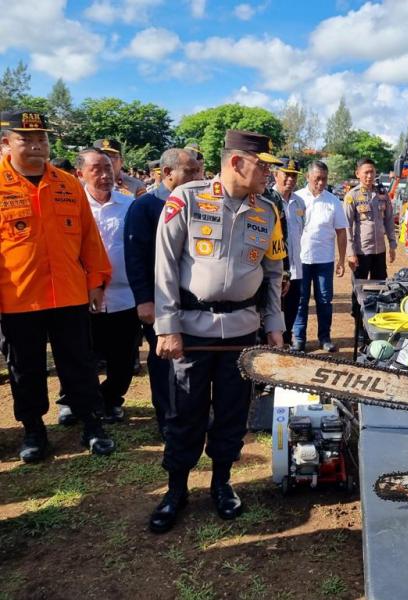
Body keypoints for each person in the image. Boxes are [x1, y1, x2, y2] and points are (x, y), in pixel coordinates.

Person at [150, 130, 284, 533]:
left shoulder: (269, 212)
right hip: (191, 331)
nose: (269, 175)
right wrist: (167, 327)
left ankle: (221, 484)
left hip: (242, 334)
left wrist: (274, 325)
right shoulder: (186, 199)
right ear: (237, 162)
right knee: (184, 413)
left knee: (231, 413)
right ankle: (176, 489)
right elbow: (165, 266)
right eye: (264, 167)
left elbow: (274, 274)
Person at [0, 109, 116, 461]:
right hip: (17, 298)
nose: (37, 145)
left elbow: (89, 240)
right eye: (26, 138)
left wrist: (97, 282)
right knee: (25, 367)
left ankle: (92, 425)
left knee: (79, 363)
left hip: (69, 294)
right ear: (6, 143)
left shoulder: (68, 184)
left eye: (42, 138)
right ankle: (34, 430)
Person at [124, 148, 201, 432]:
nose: (197, 177)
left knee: (189, 361)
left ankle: (192, 416)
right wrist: (144, 300)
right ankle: (168, 420)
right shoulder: (144, 207)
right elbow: (135, 257)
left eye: (198, 171)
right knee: (164, 363)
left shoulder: (198, 204)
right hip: (157, 301)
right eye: (190, 172)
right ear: (167, 173)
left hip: (191, 302)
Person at [76, 148, 140, 423]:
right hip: (83, 295)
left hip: (125, 295)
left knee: (123, 359)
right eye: (96, 170)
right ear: (80, 174)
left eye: (108, 169)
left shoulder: (129, 205)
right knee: (81, 356)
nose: (105, 176)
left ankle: (112, 399)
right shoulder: (73, 205)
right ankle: (80, 402)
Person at [293, 160, 348, 352]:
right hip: (300, 259)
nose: (321, 183)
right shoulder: (296, 198)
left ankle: (325, 337)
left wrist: (341, 259)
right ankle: (299, 338)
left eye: (324, 179)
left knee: (324, 300)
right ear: (307, 177)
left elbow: (341, 231)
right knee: (301, 299)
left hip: (324, 260)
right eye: (317, 179)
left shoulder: (333, 201)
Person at [344, 158, 397, 321]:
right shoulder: (351, 196)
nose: (369, 176)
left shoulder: (382, 195)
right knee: (359, 288)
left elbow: (389, 220)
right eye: (366, 172)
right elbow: (347, 226)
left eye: (372, 172)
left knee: (380, 286)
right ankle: (359, 324)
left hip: (379, 251)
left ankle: (376, 319)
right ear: (358, 174)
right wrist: (350, 253)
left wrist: (393, 244)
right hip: (361, 251)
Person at [273, 157, 306, 345]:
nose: (290, 180)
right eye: (287, 175)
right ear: (276, 174)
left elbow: (300, 232)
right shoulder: (268, 199)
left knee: (292, 310)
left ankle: (285, 345)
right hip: (276, 270)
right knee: (274, 312)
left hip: (296, 270)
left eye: (294, 176)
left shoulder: (300, 203)